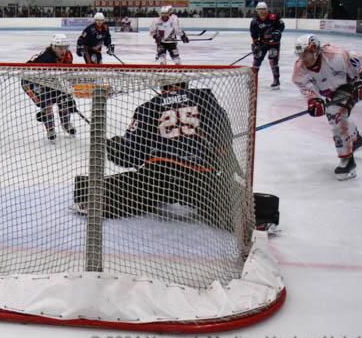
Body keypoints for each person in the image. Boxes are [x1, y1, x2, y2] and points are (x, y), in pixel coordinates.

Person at [72, 79, 243, 231]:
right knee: (233, 204)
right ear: (186, 84)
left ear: (162, 87)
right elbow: (224, 143)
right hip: (199, 176)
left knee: (114, 188)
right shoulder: (206, 100)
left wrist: (116, 146)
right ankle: (249, 214)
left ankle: (89, 196)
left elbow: (132, 155)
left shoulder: (148, 107)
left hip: (160, 175)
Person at [292, 35, 362, 180]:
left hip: (351, 86)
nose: (303, 58)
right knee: (336, 117)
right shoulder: (299, 71)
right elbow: (307, 89)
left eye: (306, 53)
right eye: (300, 54)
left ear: (315, 49)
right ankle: (356, 140)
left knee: (335, 116)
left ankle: (347, 161)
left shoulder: (337, 55)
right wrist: (314, 101)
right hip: (331, 94)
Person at [21, 34, 76, 142]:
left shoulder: (68, 55)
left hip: (54, 81)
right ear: (54, 47)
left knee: (64, 103)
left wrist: (70, 96)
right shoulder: (45, 58)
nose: (63, 51)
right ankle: (50, 128)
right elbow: (26, 75)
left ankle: (66, 124)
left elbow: (67, 75)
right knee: (47, 106)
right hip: (35, 83)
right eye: (60, 48)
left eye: (65, 47)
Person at [250, 2, 284, 89]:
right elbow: (254, 35)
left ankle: (276, 80)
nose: (262, 11)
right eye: (260, 9)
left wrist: (277, 32)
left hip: (274, 44)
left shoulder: (274, 17)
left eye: (264, 9)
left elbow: (281, 26)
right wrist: (256, 45)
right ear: (257, 11)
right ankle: (252, 80)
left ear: (267, 9)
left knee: (273, 60)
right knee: (257, 60)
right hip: (262, 44)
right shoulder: (254, 22)